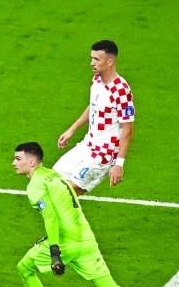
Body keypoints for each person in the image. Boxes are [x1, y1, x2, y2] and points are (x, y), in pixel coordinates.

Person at [12, 142, 175, 287]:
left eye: (18, 159)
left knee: (24, 267)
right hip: (86, 239)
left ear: (32, 161)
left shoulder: (35, 186)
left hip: (65, 242)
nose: (13, 163)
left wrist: (54, 252)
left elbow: (51, 218)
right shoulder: (55, 176)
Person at [54, 40, 134, 194]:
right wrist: (72, 129)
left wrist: (119, 164)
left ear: (110, 61)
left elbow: (128, 129)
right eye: (91, 58)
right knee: (53, 181)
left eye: (97, 59)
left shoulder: (121, 90)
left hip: (103, 154)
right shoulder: (97, 80)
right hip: (87, 145)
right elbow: (94, 106)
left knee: (66, 195)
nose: (92, 63)